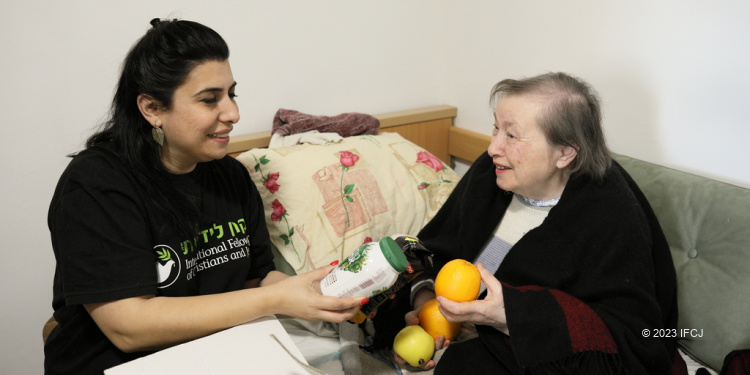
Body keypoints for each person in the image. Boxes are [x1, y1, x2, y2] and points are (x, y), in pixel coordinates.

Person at [44, 19, 364, 375]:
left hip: (214, 354)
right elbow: (128, 327)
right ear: (152, 109)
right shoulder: (97, 184)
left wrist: (313, 288)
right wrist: (275, 299)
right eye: (210, 99)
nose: (233, 114)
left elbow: (256, 280)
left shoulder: (231, 176)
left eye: (232, 94)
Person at [385, 72, 681, 374]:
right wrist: (426, 301)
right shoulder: (491, 172)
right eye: (495, 129)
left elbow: (632, 338)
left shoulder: (610, 212)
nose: (492, 149)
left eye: (511, 136)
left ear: (565, 152)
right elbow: (436, 249)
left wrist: (509, 315)